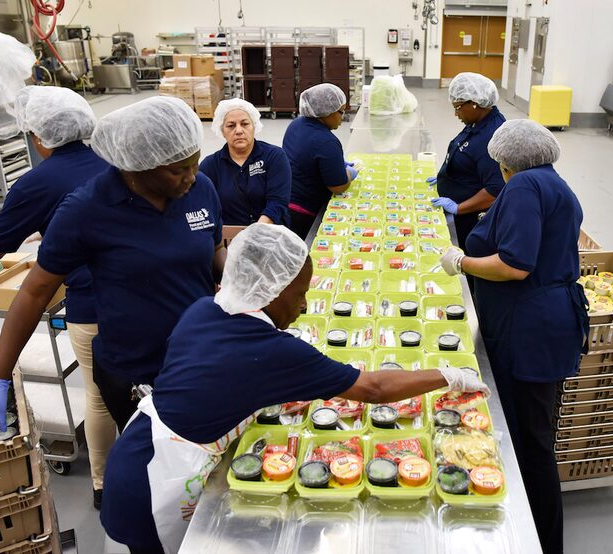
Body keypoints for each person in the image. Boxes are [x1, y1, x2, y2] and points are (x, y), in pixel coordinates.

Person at [100, 224, 488, 553]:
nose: (304, 306)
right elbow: (372, 388)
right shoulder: (273, 350)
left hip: (138, 443)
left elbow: (213, 376)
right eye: (300, 294)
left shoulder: (205, 308)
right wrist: (446, 374)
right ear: (272, 291)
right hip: (154, 479)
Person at [0, 96, 226, 448]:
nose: (191, 177)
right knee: (154, 463)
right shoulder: (85, 210)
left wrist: (246, 286)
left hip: (199, 355)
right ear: (135, 165)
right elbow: (34, 292)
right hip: (135, 372)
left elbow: (214, 251)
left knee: (207, 453)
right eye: (178, 170)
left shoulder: (200, 189)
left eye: (194, 164)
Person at [0, 86, 115, 508]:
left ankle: (102, 483)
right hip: (143, 295)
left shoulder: (37, 181)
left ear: (38, 137)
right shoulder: (119, 159)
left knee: (99, 395)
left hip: (90, 304)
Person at [439, 120, 589, 554]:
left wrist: (462, 261)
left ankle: (539, 538)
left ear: (505, 162)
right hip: (544, 319)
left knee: (532, 440)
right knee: (534, 430)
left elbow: (515, 264)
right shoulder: (551, 182)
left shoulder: (523, 188)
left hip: (531, 329)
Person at [430, 72, 506, 252]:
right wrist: (446, 176)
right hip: (460, 210)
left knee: (469, 261)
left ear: (474, 103)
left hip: (471, 221)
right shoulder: (478, 122)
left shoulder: (491, 136)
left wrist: (458, 208)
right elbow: (465, 151)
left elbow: (495, 189)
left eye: (457, 107)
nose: (456, 113)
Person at [199, 99, 290, 225]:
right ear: (222, 131)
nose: (239, 131)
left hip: (272, 235)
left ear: (254, 126)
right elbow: (203, 208)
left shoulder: (274, 156)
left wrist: (256, 232)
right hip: (230, 239)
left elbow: (278, 202)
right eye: (231, 126)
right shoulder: (210, 166)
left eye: (245, 124)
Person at [283, 83, 357, 239]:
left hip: (285, 202)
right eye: (340, 111)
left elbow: (306, 159)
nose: (342, 118)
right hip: (305, 213)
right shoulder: (327, 142)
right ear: (326, 112)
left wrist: (333, 164)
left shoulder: (296, 125)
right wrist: (349, 173)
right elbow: (338, 187)